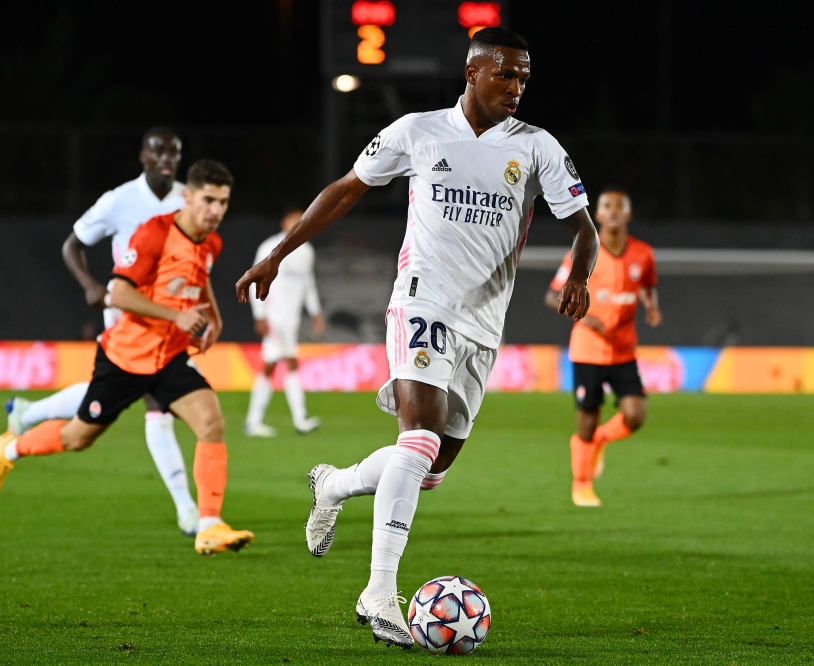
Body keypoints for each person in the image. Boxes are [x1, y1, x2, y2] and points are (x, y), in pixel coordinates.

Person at [236, 27, 598, 648]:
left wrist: (580, 275)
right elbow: (348, 189)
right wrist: (278, 253)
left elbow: (583, 226)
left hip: (484, 325)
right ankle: (379, 592)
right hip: (421, 302)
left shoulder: (537, 147)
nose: (516, 88)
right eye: (505, 75)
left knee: (429, 467)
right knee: (419, 435)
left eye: (523, 79)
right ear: (473, 72)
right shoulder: (417, 130)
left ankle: (335, 483)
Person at [0, 160, 254, 555]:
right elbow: (118, 293)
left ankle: (208, 525)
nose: (216, 210)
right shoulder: (154, 233)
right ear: (189, 196)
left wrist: (214, 316)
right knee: (77, 438)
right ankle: (10, 449)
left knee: (211, 422)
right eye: (208, 200)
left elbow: (200, 276)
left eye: (223, 202)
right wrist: (178, 315)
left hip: (170, 357)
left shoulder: (211, 242)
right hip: (125, 358)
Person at [4, 128, 200, 536]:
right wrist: (92, 286)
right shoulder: (119, 200)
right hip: (130, 317)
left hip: (171, 318)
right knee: (157, 405)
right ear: (142, 155)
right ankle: (188, 510)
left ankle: (29, 413)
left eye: (175, 151)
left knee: (112, 395)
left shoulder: (189, 198)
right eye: (159, 150)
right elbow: (71, 245)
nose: (167, 156)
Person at [545, 187, 661, 508]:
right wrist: (584, 316)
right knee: (586, 420)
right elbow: (552, 295)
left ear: (628, 215)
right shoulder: (582, 254)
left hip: (623, 350)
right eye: (606, 206)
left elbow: (648, 284)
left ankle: (600, 441)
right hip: (587, 351)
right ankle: (582, 484)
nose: (612, 212)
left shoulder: (643, 254)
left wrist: (651, 306)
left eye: (619, 207)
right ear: (596, 214)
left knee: (635, 415)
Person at [245, 207, 325, 437]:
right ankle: (300, 419)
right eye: (292, 220)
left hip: (291, 319)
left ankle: (253, 421)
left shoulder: (306, 250)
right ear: (283, 223)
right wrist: (259, 314)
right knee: (291, 363)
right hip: (274, 317)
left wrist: (315, 312)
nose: (296, 223)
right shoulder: (269, 246)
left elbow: (308, 284)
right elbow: (254, 279)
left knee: (269, 367)